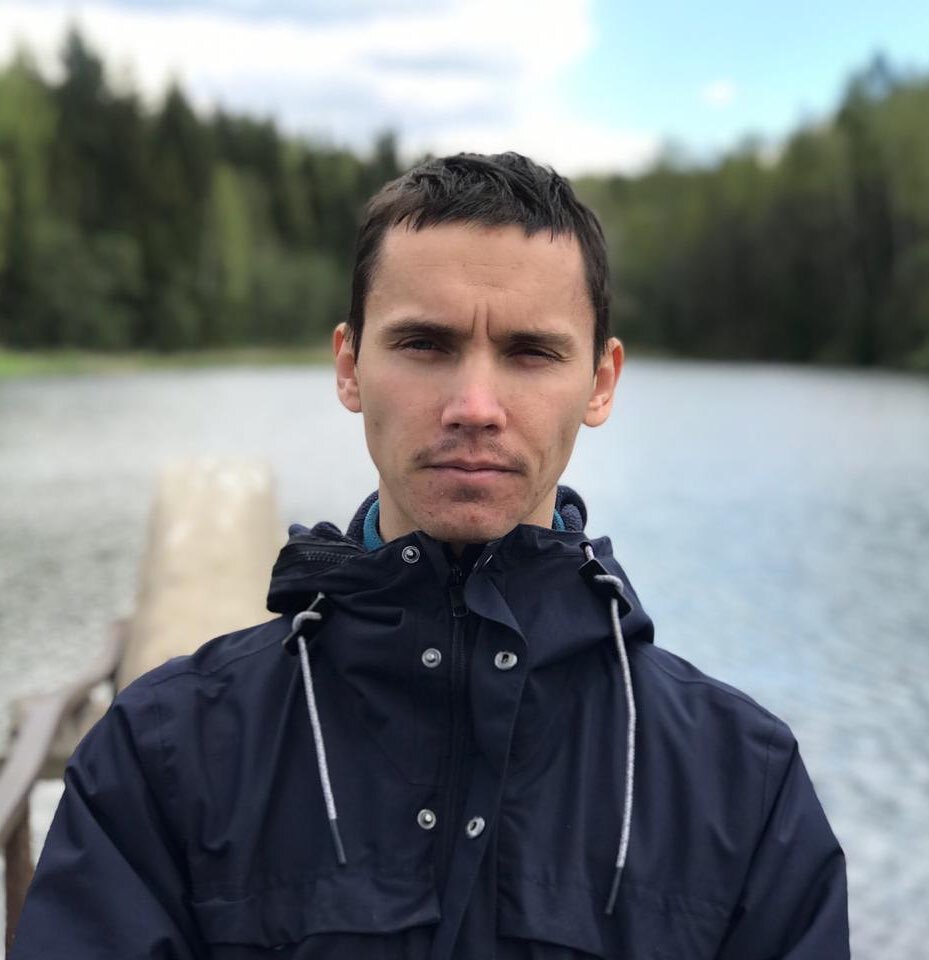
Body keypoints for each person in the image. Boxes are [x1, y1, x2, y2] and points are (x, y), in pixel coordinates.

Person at [11, 152, 849, 959]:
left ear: (601, 381)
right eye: (425, 345)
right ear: (350, 366)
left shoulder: (743, 784)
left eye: (530, 352)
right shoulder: (164, 754)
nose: (474, 405)